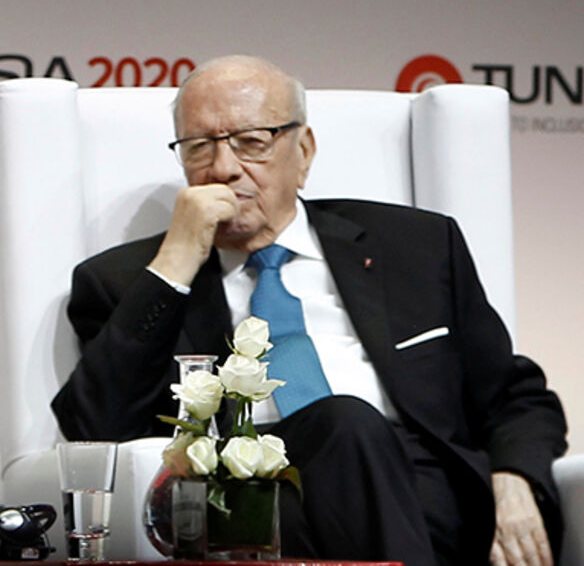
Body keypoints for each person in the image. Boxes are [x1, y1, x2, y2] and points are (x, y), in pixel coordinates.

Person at [51, 55, 567, 566]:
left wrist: (516, 479)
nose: (223, 168)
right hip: (257, 508)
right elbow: (95, 431)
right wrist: (175, 264)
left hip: (428, 495)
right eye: (199, 146)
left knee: (358, 432)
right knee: (346, 423)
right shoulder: (132, 281)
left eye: (251, 142)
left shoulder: (415, 246)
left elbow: (515, 396)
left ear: (303, 153)